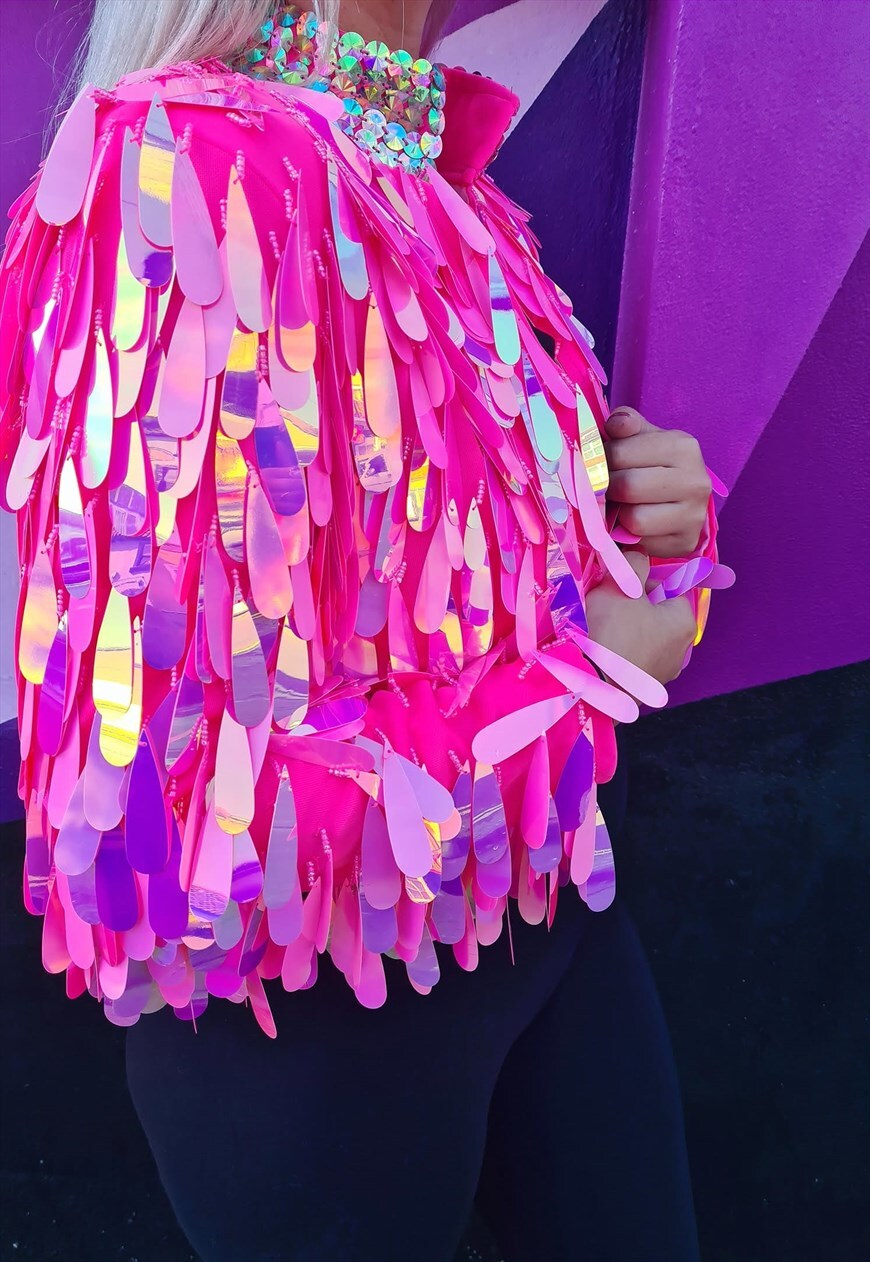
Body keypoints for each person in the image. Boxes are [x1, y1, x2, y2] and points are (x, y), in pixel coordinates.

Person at [0, 1, 731, 1258]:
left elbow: (497, 595)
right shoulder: (178, 167)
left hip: (547, 916)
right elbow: (172, 794)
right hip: (311, 1036)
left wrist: (649, 517)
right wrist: (594, 676)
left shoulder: (439, 172)